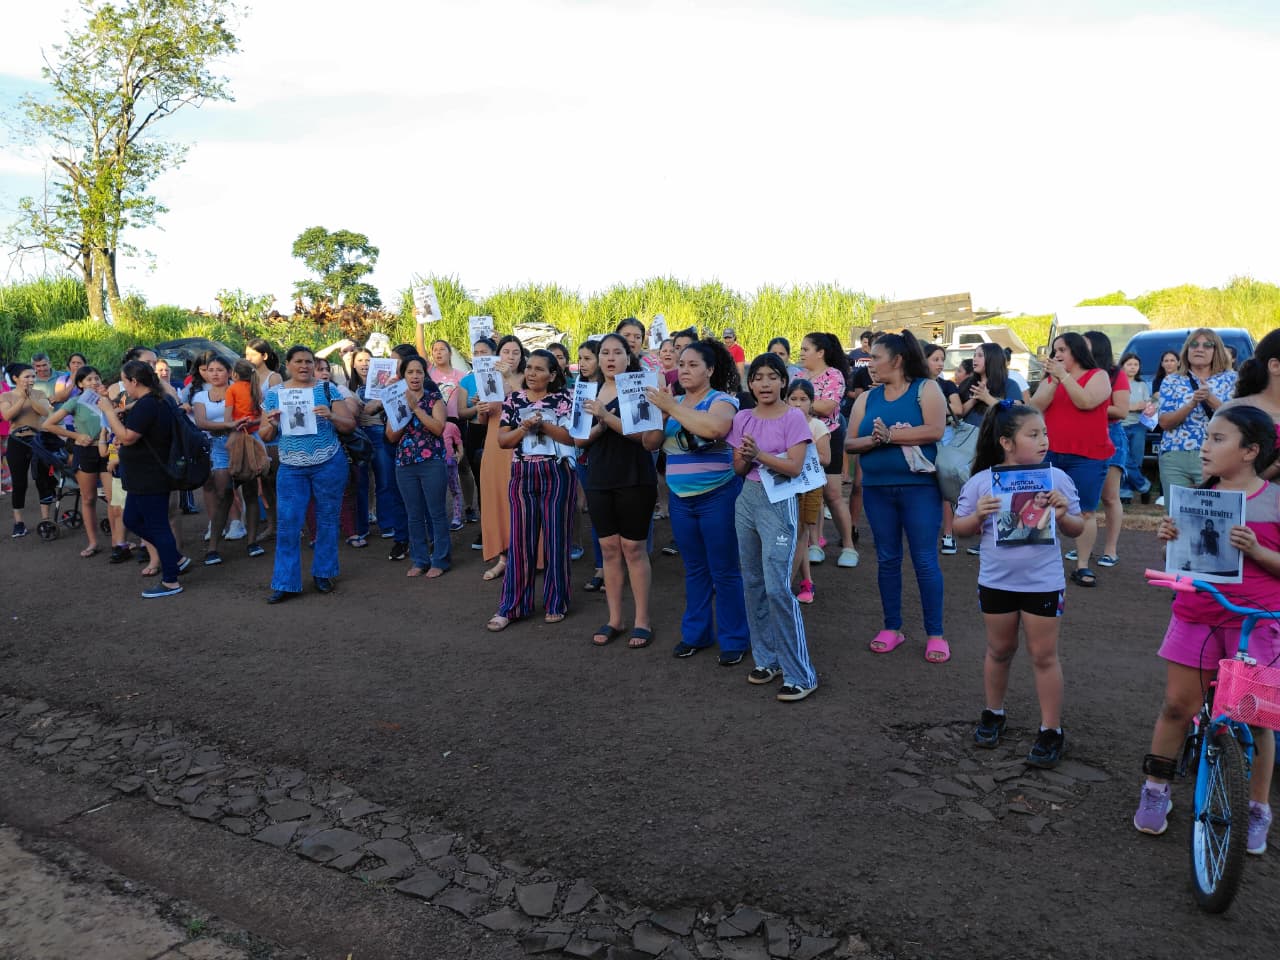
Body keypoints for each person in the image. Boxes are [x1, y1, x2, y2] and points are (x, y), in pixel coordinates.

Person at [1134, 405, 1277, 854]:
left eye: (1218, 439)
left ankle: (1256, 807)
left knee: (1256, 718)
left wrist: (1257, 551)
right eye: (1206, 438)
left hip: (1255, 622)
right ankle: (1156, 788)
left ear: (1250, 451)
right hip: (1196, 614)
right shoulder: (1197, 496)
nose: (1204, 447)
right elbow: (1178, 564)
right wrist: (1169, 542)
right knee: (1178, 706)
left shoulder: (1275, 500)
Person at [953, 402, 1084, 768]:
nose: (1044, 440)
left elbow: (1077, 527)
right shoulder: (982, 482)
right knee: (999, 650)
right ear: (1006, 442)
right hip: (996, 582)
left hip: (1043, 583)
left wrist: (1063, 514)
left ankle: (1051, 730)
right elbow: (958, 529)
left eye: (1045, 433)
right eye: (1034, 434)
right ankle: (993, 712)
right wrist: (977, 516)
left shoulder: (1056, 478)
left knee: (1043, 656)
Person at [847, 331, 949, 662]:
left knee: (924, 559)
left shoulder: (926, 388)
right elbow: (849, 443)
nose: (871, 364)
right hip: (877, 490)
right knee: (887, 559)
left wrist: (890, 435)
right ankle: (892, 627)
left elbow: (935, 430)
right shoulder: (867, 398)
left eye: (876, 357)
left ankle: (935, 634)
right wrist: (876, 440)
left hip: (920, 489)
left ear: (897, 360)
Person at [647, 339, 748, 662]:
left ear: (710, 370)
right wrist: (661, 413)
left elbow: (716, 428)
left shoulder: (722, 400)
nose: (685, 370)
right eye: (682, 364)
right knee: (694, 569)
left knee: (725, 570)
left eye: (693, 365)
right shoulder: (672, 402)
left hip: (718, 495)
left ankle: (734, 640)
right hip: (681, 499)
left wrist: (672, 407)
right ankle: (696, 634)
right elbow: (649, 442)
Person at [727, 352, 819, 701]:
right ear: (749, 383)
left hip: (779, 502)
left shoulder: (793, 417)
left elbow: (795, 467)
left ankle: (801, 674)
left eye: (772, 376)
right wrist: (745, 456)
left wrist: (758, 455)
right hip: (747, 500)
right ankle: (767, 659)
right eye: (758, 377)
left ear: (783, 381)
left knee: (778, 587)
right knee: (752, 583)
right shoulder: (743, 417)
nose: (764, 384)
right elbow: (738, 468)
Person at [580, 333, 663, 648]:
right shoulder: (587, 390)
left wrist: (605, 416)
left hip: (634, 476)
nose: (610, 358)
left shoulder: (640, 389)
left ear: (630, 358)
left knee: (633, 548)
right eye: (605, 353)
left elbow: (644, 437)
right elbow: (578, 438)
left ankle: (642, 620)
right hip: (599, 476)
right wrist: (599, 426)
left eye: (617, 352)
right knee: (609, 549)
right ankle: (615, 619)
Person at [486, 349, 576, 630]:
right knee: (520, 542)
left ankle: (556, 602)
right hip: (522, 474)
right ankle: (512, 606)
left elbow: (572, 438)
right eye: (529, 368)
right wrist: (524, 428)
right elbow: (503, 441)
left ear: (552, 374)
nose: (532, 373)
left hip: (557, 473)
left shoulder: (564, 399)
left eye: (539, 369)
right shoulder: (514, 399)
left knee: (556, 539)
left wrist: (543, 424)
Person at [259, 345, 355, 603]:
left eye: (309, 362)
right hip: (291, 466)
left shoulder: (327, 389)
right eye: (299, 361)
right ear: (288, 365)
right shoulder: (275, 394)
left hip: (328, 461)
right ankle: (285, 582)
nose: (304, 366)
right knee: (288, 523)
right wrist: (272, 423)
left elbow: (349, 425)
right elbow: (264, 435)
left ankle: (324, 573)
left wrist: (331, 416)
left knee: (327, 520)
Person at [94, 362, 190, 598]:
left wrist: (108, 412)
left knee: (157, 525)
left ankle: (171, 581)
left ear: (134, 381)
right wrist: (122, 410)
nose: (123, 386)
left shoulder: (149, 404)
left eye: (124, 381)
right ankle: (175, 558)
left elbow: (127, 437)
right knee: (132, 519)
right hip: (141, 475)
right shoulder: (154, 400)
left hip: (151, 476)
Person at [1028, 333, 1113, 588]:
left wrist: (1064, 377)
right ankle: (1036, 562)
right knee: (1039, 505)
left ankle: (1082, 565)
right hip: (1050, 452)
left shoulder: (1099, 375)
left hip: (1088, 455)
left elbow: (1085, 402)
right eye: (1055, 350)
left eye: (1062, 349)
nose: (1057, 354)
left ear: (1076, 351)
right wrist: (1054, 380)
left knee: (1085, 510)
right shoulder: (1052, 378)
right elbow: (1035, 406)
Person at [385, 354, 451, 579]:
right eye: (410, 372)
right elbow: (391, 436)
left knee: (436, 512)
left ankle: (440, 559)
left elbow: (438, 428)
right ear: (403, 376)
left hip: (432, 462)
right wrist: (401, 410)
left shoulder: (434, 399)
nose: (415, 376)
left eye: (419, 372)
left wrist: (415, 408)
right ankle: (420, 560)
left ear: (425, 375)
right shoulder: (396, 400)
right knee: (413, 514)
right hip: (405, 463)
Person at [1156, 328, 1237, 504]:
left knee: (1215, 511)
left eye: (1207, 345)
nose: (1199, 349)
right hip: (1175, 455)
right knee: (1177, 514)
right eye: (1194, 344)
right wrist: (1191, 403)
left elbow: (1238, 420)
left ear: (1216, 350)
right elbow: (1164, 423)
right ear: (1187, 350)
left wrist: (1211, 399)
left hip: (1217, 455)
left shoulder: (1232, 379)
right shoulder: (1172, 380)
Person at [798, 332, 858, 567]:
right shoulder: (800, 376)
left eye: (806, 349)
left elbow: (828, 407)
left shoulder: (834, 375)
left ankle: (849, 546)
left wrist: (799, 403)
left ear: (820, 352)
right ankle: (814, 545)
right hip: (802, 440)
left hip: (829, 437)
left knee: (832, 494)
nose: (801, 353)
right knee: (810, 493)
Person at [41, 365, 111, 557]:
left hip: (107, 451)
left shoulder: (107, 399)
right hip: (85, 451)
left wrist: (109, 400)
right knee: (88, 498)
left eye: (96, 378)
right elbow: (48, 424)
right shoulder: (75, 402)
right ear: (80, 384)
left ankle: (118, 542)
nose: (94, 382)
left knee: (113, 499)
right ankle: (93, 542)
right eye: (89, 379)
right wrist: (76, 435)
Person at [477, 335, 527, 581]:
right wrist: (481, 409)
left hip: (520, 444)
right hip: (494, 444)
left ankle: (526, 556)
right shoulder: (488, 378)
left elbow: (529, 405)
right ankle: (504, 558)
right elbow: (482, 420)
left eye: (516, 352)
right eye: (506, 352)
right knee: (497, 498)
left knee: (521, 500)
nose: (511, 357)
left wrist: (510, 379)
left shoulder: (527, 378)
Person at [1084, 331, 1131, 570]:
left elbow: (1122, 410)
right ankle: (1084, 548)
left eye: (1085, 345)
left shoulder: (1116, 374)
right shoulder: (1077, 373)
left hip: (1110, 435)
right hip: (1083, 436)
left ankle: (1110, 550)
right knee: (1084, 498)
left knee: (1110, 497)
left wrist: (1089, 403)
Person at [785, 379, 831, 604]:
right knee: (792, 535)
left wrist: (803, 450)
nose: (797, 403)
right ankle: (803, 581)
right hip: (786, 485)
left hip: (810, 486)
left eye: (803, 399)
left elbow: (826, 458)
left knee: (802, 534)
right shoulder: (782, 423)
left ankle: (798, 583)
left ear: (811, 403)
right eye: (793, 398)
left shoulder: (817, 426)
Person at [0, 364, 57, 538]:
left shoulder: (39, 394)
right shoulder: (6, 395)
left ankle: (46, 519)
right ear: (15, 378)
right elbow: (7, 416)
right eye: (27, 376)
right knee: (19, 483)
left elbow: (45, 412)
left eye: (33, 376)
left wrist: (30, 397)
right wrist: (21, 399)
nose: (31, 379)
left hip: (38, 441)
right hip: (17, 442)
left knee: (43, 479)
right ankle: (19, 522)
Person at [457, 337, 498, 553]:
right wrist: (477, 407)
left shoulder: (502, 377)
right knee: (482, 483)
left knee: (501, 482)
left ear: (494, 354)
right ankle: (486, 529)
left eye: (484, 352)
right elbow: (461, 412)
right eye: (476, 352)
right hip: (475, 432)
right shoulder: (467, 380)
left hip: (498, 430)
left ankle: (504, 527)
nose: (480, 356)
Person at [924, 343, 963, 555]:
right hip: (920, 442)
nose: (940, 364)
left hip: (945, 440)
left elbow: (958, 408)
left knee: (945, 488)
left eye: (942, 360)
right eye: (935, 359)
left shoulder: (947, 385)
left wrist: (934, 410)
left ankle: (948, 535)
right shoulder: (913, 384)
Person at [573, 340, 605, 591]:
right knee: (597, 515)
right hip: (585, 458)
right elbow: (577, 431)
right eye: (580, 358)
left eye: (588, 358)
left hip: (610, 459)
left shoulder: (611, 388)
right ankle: (601, 567)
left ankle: (616, 565)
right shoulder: (579, 387)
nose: (582, 364)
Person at [245, 338, 283, 543]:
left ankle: (287, 525)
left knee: (278, 482)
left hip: (272, 436)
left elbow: (278, 408)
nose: (248, 358)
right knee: (264, 484)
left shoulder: (274, 377)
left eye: (252, 354)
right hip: (253, 435)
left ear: (265, 356)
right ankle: (272, 525)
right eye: (246, 355)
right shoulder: (247, 378)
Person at [958, 343, 1023, 427]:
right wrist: (974, 400)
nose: (974, 359)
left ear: (993, 359)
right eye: (974, 355)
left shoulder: (1010, 385)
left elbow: (1014, 413)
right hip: (966, 434)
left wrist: (987, 398)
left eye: (980, 355)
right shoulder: (967, 383)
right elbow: (957, 414)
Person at [1117, 351, 1153, 502]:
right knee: (1124, 458)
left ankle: (1126, 492)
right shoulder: (1116, 383)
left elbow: (1147, 404)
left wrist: (1145, 406)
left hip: (1138, 425)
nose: (1133, 367)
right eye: (1129, 364)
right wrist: (1133, 406)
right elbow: (1116, 405)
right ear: (1122, 366)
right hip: (1119, 425)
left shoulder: (1142, 385)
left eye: (1136, 364)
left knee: (1136, 459)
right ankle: (1144, 485)